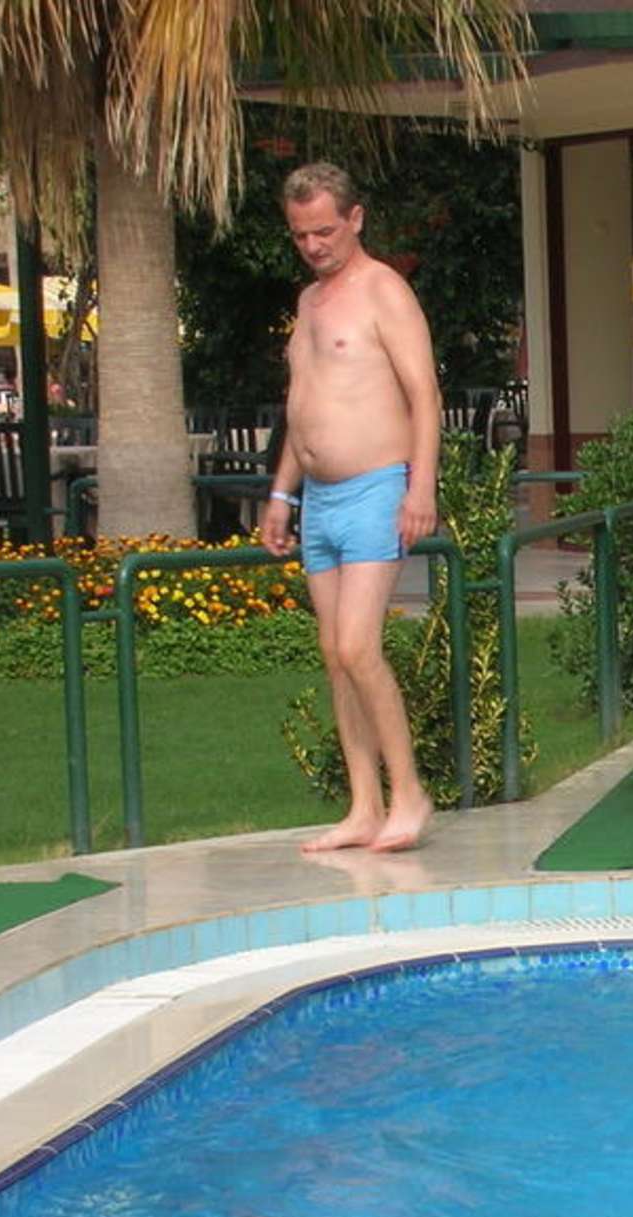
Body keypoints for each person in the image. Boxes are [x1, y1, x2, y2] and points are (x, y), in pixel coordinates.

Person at [258, 161, 440, 854]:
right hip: (319, 498)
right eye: (301, 234)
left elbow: (424, 394)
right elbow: (302, 405)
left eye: (325, 231)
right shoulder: (309, 303)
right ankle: (364, 805)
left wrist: (420, 487)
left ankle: (409, 794)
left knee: (359, 645)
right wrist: (283, 493)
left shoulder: (383, 290)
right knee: (335, 655)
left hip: (375, 488)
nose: (313, 245)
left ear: (355, 218)